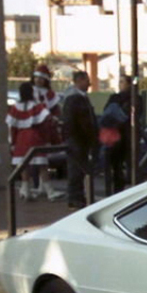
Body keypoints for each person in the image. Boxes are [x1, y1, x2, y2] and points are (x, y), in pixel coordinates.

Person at [5, 82, 65, 201]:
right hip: (35, 136)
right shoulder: (37, 107)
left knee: (24, 165)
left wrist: (12, 142)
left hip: (21, 138)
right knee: (42, 165)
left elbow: (12, 127)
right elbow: (47, 120)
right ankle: (50, 191)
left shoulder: (15, 108)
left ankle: (25, 190)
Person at [62, 71, 98, 210]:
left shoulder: (82, 98)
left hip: (81, 140)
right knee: (76, 170)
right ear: (79, 81)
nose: (89, 84)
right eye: (86, 80)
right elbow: (73, 122)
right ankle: (74, 198)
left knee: (81, 170)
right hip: (77, 140)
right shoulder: (74, 99)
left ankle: (79, 197)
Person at [101, 75, 139, 193]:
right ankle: (120, 189)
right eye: (119, 81)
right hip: (121, 136)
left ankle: (121, 188)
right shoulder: (118, 98)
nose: (120, 84)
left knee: (123, 165)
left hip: (123, 136)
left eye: (122, 82)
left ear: (128, 84)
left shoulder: (130, 98)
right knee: (118, 166)